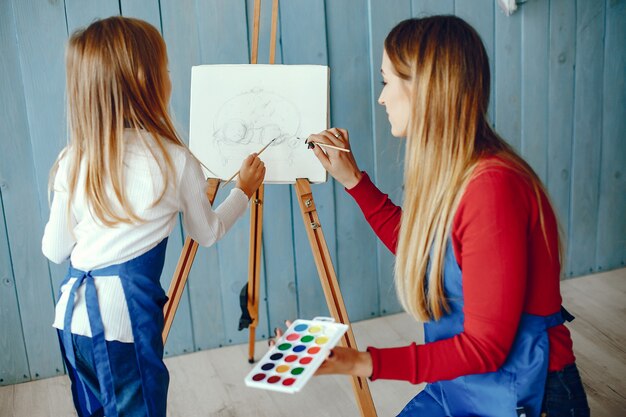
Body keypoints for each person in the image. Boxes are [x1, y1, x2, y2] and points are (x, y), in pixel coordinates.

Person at [304, 16, 589, 417]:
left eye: (386, 82)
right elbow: (426, 250)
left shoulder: (493, 188)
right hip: (463, 383)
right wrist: (353, 181)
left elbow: (486, 348)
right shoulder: (457, 170)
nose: (382, 98)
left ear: (423, 89)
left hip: (522, 393)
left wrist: (361, 361)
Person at [41, 16, 265, 417]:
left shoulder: (73, 159)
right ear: (146, 80)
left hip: (71, 322)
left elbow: (55, 249)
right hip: (123, 325)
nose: (169, 76)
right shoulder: (173, 161)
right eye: (163, 68)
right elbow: (208, 232)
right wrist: (243, 191)